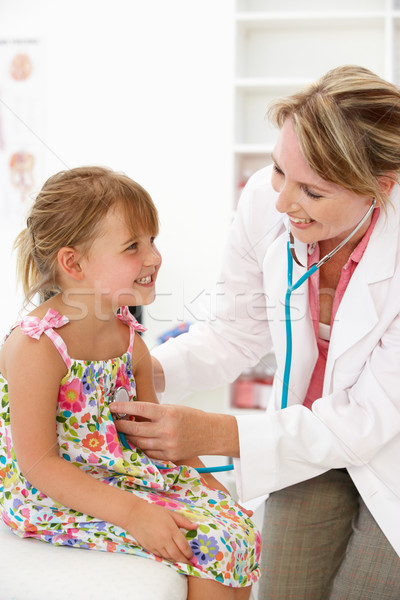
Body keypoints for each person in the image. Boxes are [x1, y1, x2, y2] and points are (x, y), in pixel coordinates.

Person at [111, 66, 400, 600]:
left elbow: (367, 419)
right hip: (302, 441)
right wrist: (138, 372)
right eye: (277, 170)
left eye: (312, 191)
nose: (283, 201)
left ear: (379, 189)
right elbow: (235, 330)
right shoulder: (265, 207)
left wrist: (214, 434)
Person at [0, 166, 261, 600]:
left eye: (153, 240)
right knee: (206, 544)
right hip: (48, 495)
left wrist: (209, 487)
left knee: (237, 528)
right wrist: (134, 514)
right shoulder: (37, 347)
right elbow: (39, 465)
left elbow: (154, 437)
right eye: (132, 247)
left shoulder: (128, 339)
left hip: (117, 475)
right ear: (73, 263)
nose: (154, 257)